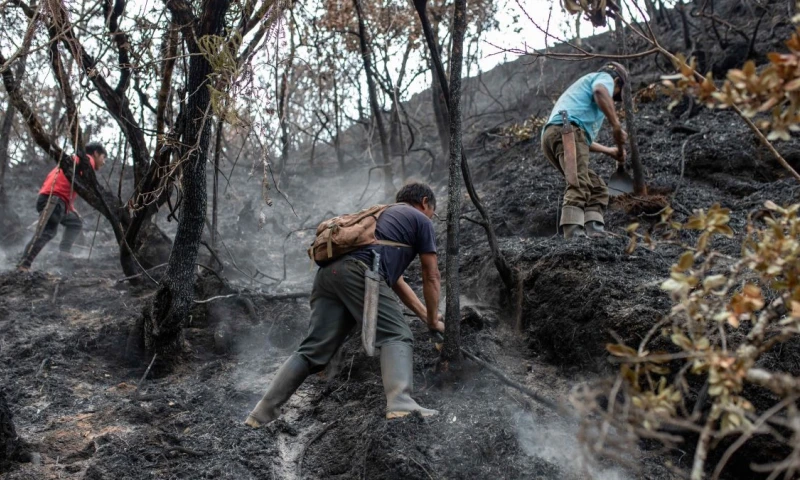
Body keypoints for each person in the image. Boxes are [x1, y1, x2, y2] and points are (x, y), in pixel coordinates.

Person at [245, 182, 443, 427]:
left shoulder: (384, 217)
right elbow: (431, 275)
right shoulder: (420, 219)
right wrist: (435, 320)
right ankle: (401, 403)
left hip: (329, 274)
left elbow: (397, 283)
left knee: (313, 350)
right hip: (359, 272)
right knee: (397, 334)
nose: (431, 218)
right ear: (425, 202)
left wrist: (428, 317)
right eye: (432, 212)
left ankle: (261, 414)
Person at [541, 62, 629, 239]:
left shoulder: (582, 97)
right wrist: (616, 125)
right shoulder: (604, 79)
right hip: (566, 130)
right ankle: (573, 234)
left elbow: (581, 140)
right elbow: (600, 92)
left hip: (556, 135)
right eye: (616, 95)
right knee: (578, 182)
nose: (614, 99)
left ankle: (595, 231)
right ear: (617, 82)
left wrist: (609, 151)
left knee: (596, 187)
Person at [17, 143, 108, 271]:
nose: (104, 162)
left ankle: (64, 252)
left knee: (75, 222)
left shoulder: (75, 161)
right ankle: (24, 264)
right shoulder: (87, 161)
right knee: (48, 231)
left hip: (56, 200)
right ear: (96, 153)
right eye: (104, 157)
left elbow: (66, 184)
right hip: (54, 199)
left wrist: (70, 207)